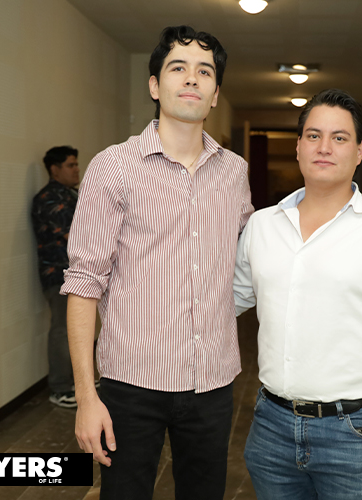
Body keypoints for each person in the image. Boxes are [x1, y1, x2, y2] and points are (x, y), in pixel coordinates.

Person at [61, 26, 253, 500]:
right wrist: (86, 397)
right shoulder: (113, 167)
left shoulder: (235, 172)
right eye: (177, 68)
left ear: (214, 94)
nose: (191, 79)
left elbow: (247, 258)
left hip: (212, 382)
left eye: (205, 72)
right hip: (132, 385)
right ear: (154, 85)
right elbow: (83, 283)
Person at [234, 89, 362, 500]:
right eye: (313, 136)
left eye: (339, 137)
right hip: (271, 427)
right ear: (298, 147)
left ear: (360, 151)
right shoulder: (262, 226)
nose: (324, 147)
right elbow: (225, 301)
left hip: (357, 433)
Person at [31, 146, 80, 408]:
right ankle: (60, 388)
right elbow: (77, 237)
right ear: (54, 169)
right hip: (58, 275)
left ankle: (76, 382)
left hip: (74, 275)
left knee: (76, 329)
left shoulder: (70, 195)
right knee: (62, 329)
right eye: (70, 165)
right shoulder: (49, 199)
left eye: (76, 164)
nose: (76, 169)